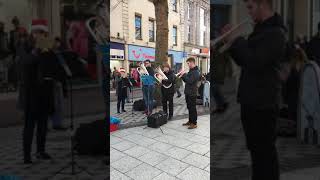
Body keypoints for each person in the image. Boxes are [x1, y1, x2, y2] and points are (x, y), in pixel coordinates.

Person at [223, 0, 287, 179]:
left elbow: (255, 62)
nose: (249, 12)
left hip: (263, 103)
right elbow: (245, 61)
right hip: (252, 101)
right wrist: (232, 45)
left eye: (251, 7)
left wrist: (237, 40)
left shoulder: (275, 33)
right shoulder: (262, 30)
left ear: (263, 5)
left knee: (265, 155)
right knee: (257, 153)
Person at [21, 19, 57, 164]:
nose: (39, 35)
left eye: (42, 33)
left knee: (43, 124)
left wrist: (50, 52)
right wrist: (36, 51)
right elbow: (26, 61)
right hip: (31, 92)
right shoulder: (25, 46)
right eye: (37, 32)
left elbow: (53, 69)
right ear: (32, 32)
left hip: (45, 91)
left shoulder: (47, 49)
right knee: (29, 125)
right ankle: (26, 156)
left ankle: (40, 151)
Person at [180, 57, 200, 129]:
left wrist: (184, 74)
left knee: (192, 108)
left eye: (188, 63)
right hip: (188, 92)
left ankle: (194, 123)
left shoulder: (196, 72)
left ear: (192, 63)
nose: (188, 65)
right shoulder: (191, 71)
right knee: (189, 107)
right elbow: (186, 80)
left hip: (192, 93)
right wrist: (182, 76)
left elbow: (190, 81)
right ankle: (190, 121)